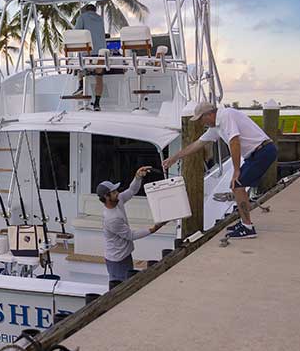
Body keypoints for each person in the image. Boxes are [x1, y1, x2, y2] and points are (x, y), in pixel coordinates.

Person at [163, 101, 278, 240]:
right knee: (236, 186)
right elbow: (197, 144)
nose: (201, 123)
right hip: (257, 153)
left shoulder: (226, 115)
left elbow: (234, 141)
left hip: (263, 151)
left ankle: (248, 227)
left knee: (238, 185)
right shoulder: (216, 127)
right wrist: (174, 158)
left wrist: (236, 170)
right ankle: (245, 222)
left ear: (209, 114)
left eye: (202, 119)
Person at [97, 166, 167, 288]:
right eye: (114, 192)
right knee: (120, 289)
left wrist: (138, 177)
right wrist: (153, 229)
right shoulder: (112, 218)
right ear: (107, 197)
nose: (117, 193)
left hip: (124, 254)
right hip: (117, 260)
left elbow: (131, 191)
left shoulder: (117, 201)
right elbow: (131, 235)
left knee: (128, 284)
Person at [74, 3, 107, 111]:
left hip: (87, 52)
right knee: (99, 76)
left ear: (85, 10)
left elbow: (76, 33)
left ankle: (81, 86)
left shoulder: (82, 17)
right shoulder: (100, 19)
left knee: (81, 68)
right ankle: (97, 103)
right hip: (101, 52)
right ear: (95, 10)